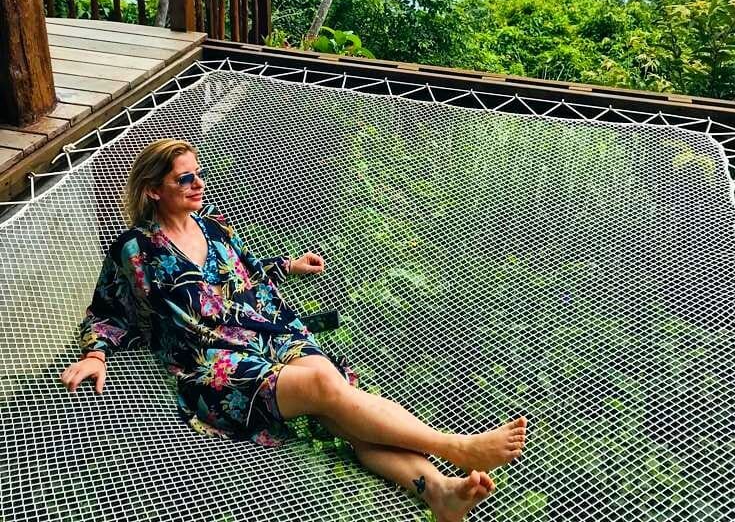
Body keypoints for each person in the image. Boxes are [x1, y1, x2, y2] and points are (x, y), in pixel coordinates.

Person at [60, 139, 527, 522]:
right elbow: (107, 309)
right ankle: (456, 448)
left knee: (339, 407)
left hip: (271, 330)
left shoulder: (214, 229)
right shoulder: (135, 250)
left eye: (198, 173)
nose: (198, 183)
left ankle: (440, 492)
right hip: (217, 362)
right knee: (329, 387)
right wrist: (96, 354)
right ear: (153, 190)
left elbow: (246, 276)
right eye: (184, 177)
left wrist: (286, 266)